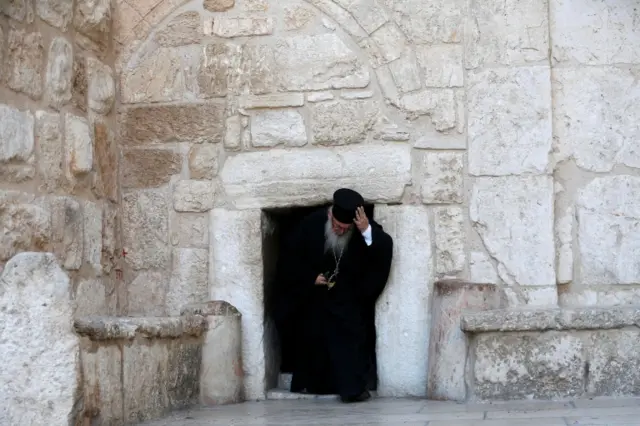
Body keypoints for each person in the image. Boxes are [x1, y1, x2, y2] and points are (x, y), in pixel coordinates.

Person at [273, 188, 394, 403]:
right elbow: (288, 260)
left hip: (347, 299)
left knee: (349, 336)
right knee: (313, 333)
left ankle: (352, 389)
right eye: (337, 226)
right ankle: (311, 385)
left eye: (345, 228)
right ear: (330, 215)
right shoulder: (311, 224)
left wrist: (366, 231)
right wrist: (311, 277)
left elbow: (383, 249)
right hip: (315, 298)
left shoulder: (362, 228)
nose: (339, 231)